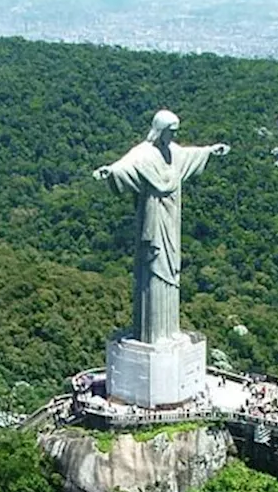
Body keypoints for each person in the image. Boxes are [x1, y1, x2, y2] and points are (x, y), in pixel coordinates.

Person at [93, 110, 230, 343]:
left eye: (175, 133)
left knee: (171, 269)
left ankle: (169, 330)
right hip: (153, 219)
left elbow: (190, 154)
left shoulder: (174, 153)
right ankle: (151, 333)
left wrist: (210, 151)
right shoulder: (144, 154)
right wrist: (109, 172)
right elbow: (124, 166)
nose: (172, 137)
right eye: (170, 132)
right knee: (152, 268)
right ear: (160, 130)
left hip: (172, 219)